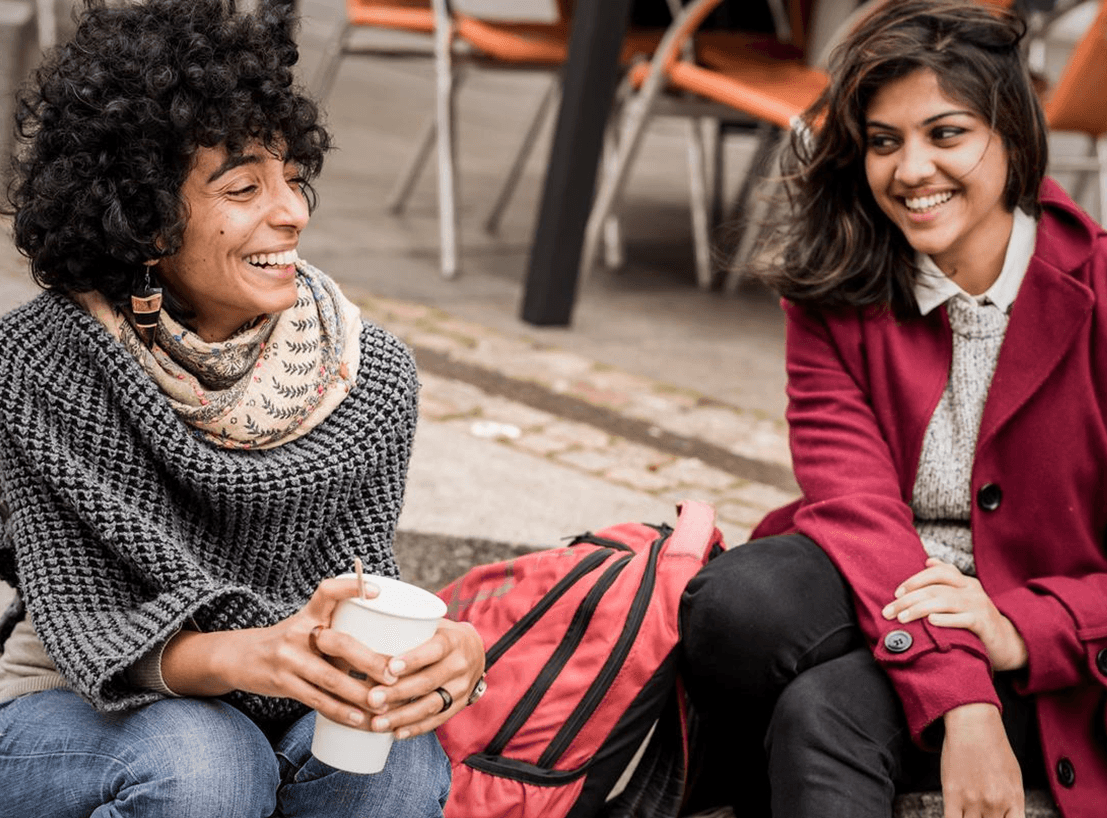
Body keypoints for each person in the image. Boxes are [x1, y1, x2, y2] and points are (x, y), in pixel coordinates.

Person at [0, 1, 485, 815]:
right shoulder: (42, 360)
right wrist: (249, 655)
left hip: (280, 695)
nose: (292, 211)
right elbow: (88, 625)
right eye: (243, 186)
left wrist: (447, 656)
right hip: (73, 704)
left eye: (292, 178)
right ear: (146, 217)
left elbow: (357, 589)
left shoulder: (368, 378)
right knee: (203, 759)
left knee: (392, 766)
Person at [679, 1, 1107, 817]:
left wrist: (1021, 630)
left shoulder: (1101, 292)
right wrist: (961, 699)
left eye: (945, 134)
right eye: (883, 141)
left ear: (1011, 135)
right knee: (738, 609)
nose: (910, 170)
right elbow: (853, 507)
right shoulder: (834, 290)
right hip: (886, 582)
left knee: (827, 711)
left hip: (1045, 639)